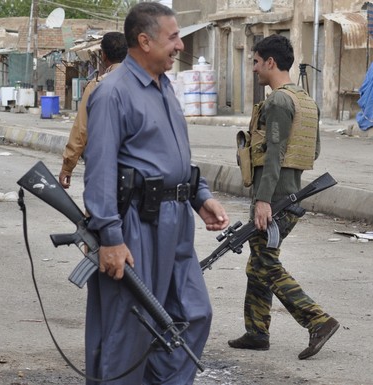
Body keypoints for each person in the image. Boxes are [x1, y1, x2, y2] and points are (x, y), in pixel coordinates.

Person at [82, 3, 229, 384]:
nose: (181, 45)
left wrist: (201, 196)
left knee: (193, 313)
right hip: (135, 224)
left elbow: (174, 157)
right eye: (174, 37)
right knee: (130, 327)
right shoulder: (113, 93)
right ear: (144, 41)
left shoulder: (165, 87)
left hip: (176, 222)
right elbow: (98, 171)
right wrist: (110, 238)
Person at [227, 34, 340, 360]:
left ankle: (317, 320)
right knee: (259, 262)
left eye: (256, 62)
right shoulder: (305, 100)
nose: (254, 69)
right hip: (290, 192)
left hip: (274, 197)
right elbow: (313, 149)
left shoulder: (278, 102)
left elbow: (274, 153)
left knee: (265, 264)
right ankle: (256, 331)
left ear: (270, 63)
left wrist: (263, 201)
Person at [58, 32, 128, 188]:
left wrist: (67, 166)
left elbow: (81, 130)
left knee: (97, 211)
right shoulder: (144, 85)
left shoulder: (96, 86)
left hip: (104, 169)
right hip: (138, 172)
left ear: (103, 55)